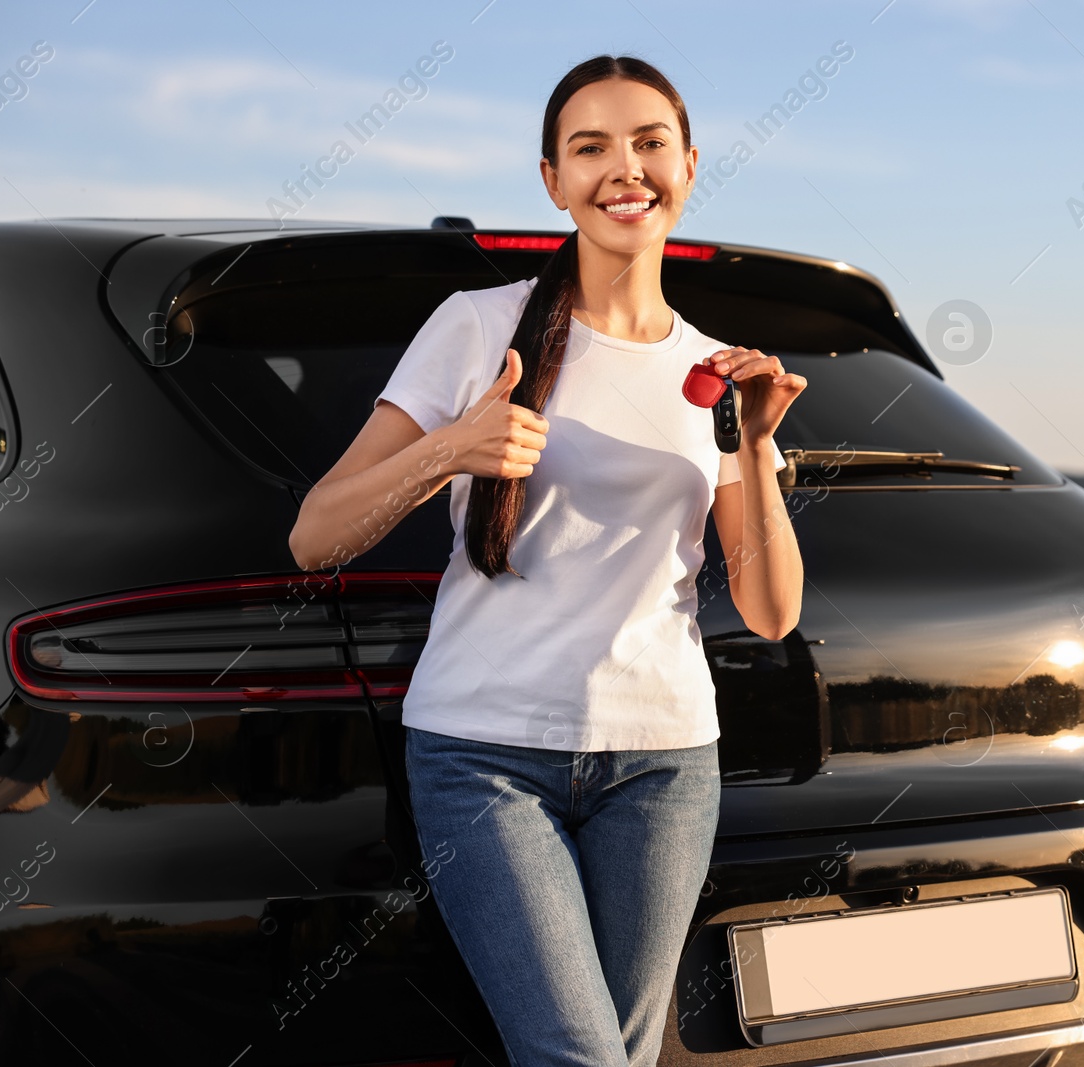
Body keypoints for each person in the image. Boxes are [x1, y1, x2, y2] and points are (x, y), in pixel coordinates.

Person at [287, 53, 807, 1067]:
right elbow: (315, 534)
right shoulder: (476, 328)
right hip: (484, 759)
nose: (626, 168)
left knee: (613, 1055)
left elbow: (772, 608)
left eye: (650, 143)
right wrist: (452, 450)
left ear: (689, 165)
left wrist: (752, 441)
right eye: (592, 147)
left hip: (664, 765)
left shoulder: (713, 371)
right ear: (552, 180)